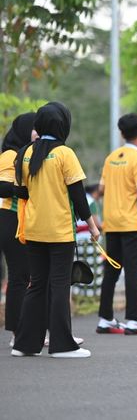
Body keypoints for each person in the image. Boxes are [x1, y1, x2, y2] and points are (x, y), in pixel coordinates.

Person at [12, 102, 99, 358]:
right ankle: (62, 346)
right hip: (59, 230)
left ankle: (24, 345)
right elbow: (78, 195)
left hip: (33, 229)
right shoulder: (64, 153)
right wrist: (92, 226)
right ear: (63, 125)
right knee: (60, 285)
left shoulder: (25, 153)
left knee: (37, 285)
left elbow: (20, 192)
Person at [96, 113, 137, 336]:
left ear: (122, 133)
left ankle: (105, 319)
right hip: (132, 224)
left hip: (112, 224)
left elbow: (101, 190)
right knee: (132, 272)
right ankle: (133, 320)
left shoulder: (111, 158)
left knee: (111, 272)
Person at [0, 113, 36, 347]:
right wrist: (24, 189)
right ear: (24, 130)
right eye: (35, 128)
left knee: (26, 276)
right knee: (19, 276)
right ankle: (17, 332)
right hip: (9, 218)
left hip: (21, 219)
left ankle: (27, 331)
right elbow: (2, 187)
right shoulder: (10, 155)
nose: (38, 133)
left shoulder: (26, 154)